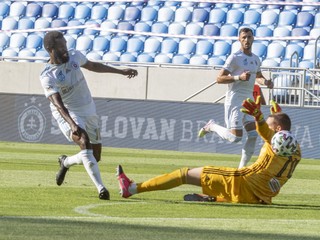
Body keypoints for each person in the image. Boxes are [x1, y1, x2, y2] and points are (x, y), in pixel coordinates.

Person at [116, 97, 301, 204]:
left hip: (240, 182)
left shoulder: (274, 139)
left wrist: (260, 117)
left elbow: (265, 132)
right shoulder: (296, 151)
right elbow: (279, 136)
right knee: (226, 189)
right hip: (261, 198)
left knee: (184, 174)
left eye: (271, 126)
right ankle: (215, 197)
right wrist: (276, 116)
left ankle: (131, 189)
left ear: (277, 130)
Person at [40, 31, 138, 200]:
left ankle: (66, 162)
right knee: (84, 143)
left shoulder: (75, 56)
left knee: (95, 156)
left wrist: (121, 72)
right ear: (50, 49)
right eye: (61, 47)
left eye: (65, 45)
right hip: (68, 112)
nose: (65, 49)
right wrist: (72, 124)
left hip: (88, 110)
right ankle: (101, 189)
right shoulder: (47, 75)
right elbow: (57, 103)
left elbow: (93, 66)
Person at [198, 27, 274, 168]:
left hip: (249, 101)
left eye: (249, 37)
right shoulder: (234, 58)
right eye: (244, 37)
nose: (246, 40)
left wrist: (266, 82)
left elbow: (258, 77)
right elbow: (219, 78)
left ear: (253, 39)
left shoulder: (256, 59)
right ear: (239, 39)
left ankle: (241, 169)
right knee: (235, 138)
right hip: (235, 100)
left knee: (253, 135)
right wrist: (239, 77)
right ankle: (211, 126)